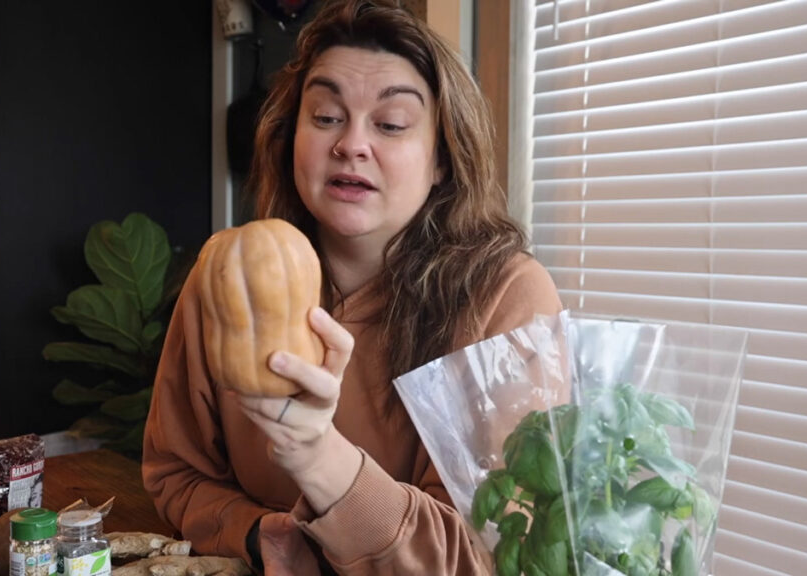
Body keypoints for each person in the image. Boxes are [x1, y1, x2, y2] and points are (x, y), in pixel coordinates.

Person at [142, 1, 562, 574]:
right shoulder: (224, 278)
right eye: (325, 116)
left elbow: (486, 555)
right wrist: (258, 534)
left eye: (390, 124)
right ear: (293, 137)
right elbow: (176, 473)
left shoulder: (508, 297)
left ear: (442, 159)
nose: (351, 144)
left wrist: (319, 455)